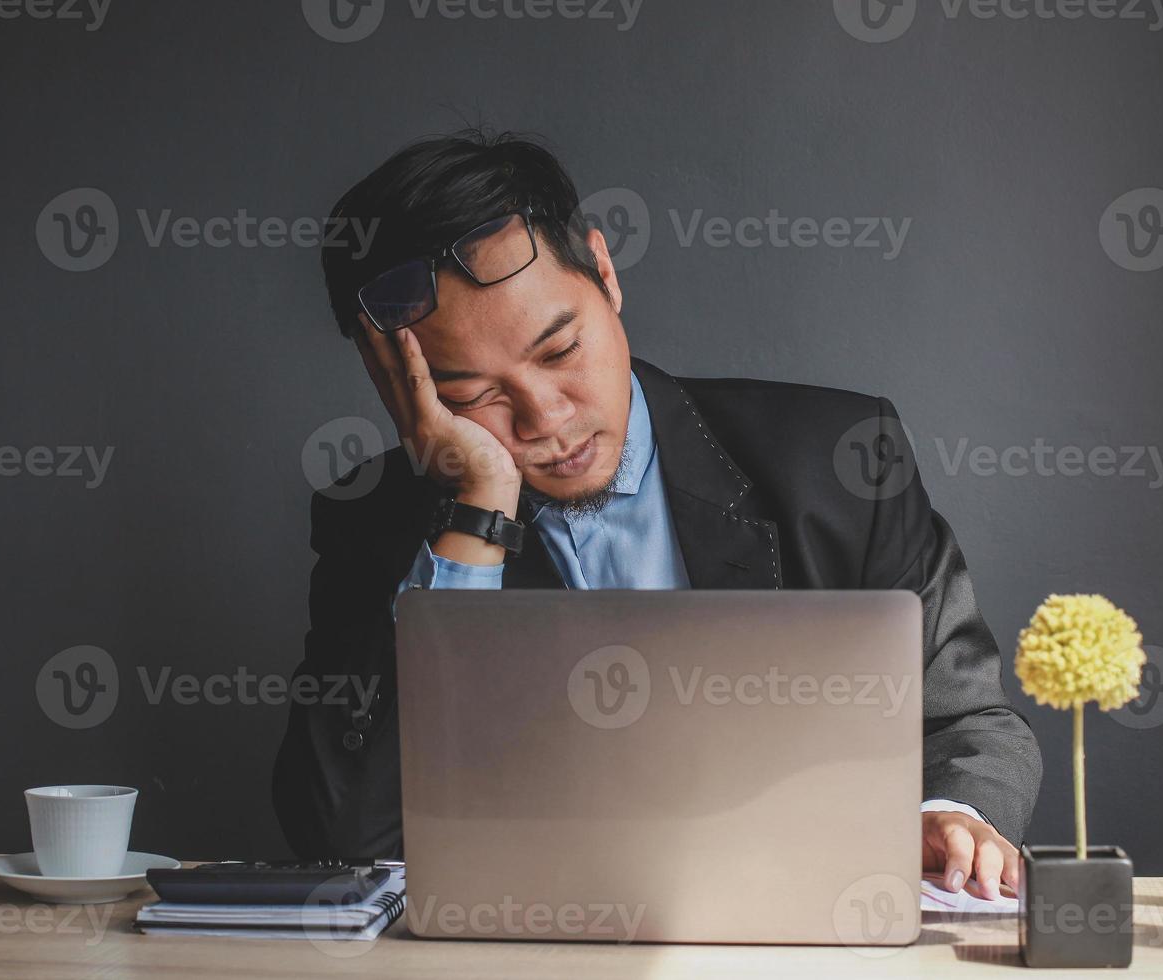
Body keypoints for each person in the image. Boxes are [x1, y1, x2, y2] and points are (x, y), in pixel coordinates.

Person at [273, 129, 1042, 902]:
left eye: (560, 350)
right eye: (472, 396)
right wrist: (477, 511)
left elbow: (964, 718)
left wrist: (954, 814)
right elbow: (340, 838)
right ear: (406, 392)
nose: (544, 417)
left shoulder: (841, 463)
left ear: (605, 275)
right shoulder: (376, 522)